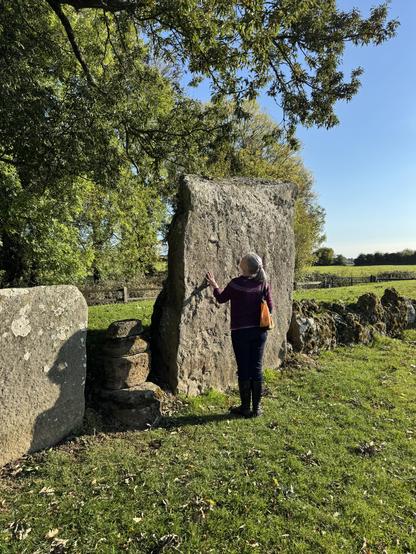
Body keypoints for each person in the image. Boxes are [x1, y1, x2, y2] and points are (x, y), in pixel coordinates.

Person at [205, 253, 273, 418]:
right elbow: (270, 308)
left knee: (243, 368)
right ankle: (256, 409)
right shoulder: (263, 284)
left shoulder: (236, 284)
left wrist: (214, 285)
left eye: (241, 260)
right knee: (256, 368)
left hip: (240, 332)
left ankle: (245, 407)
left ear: (244, 266)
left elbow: (221, 299)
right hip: (259, 332)